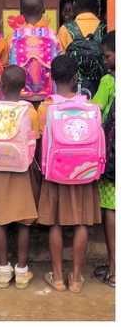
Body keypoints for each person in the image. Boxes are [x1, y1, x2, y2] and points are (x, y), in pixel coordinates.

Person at [37, 55, 102, 293]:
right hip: (84, 173)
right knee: (81, 223)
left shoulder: (46, 108)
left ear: (52, 78)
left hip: (55, 173)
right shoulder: (91, 107)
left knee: (55, 223)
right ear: (76, 77)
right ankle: (76, 279)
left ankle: (56, 277)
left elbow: (39, 141)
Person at [0, 65, 41, 289]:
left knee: (0, 221)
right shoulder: (30, 110)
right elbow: (34, 140)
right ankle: (22, 271)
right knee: (24, 221)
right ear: (24, 86)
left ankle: (3, 270)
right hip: (21, 169)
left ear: (2, 85)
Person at [92, 31, 116, 288]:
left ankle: (114, 269)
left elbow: (96, 110)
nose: (105, 61)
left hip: (113, 159)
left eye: (108, 56)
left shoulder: (109, 81)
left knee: (111, 209)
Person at [59, 0, 107, 95]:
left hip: (74, 91)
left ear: (74, 5)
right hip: (102, 90)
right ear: (97, 5)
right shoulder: (106, 28)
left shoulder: (65, 29)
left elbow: (61, 63)